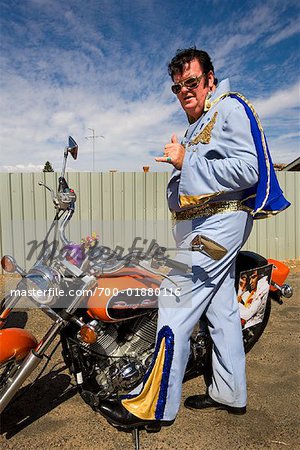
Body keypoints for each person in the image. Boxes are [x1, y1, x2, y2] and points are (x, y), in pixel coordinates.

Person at [99, 48, 290, 428]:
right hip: (201, 229)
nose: (184, 90)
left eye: (191, 82)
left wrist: (187, 160)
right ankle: (229, 393)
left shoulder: (229, 108)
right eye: (177, 87)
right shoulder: (200, 121)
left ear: (210, 80)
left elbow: (249, 168)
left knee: (174, 301)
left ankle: (155, 406)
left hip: (219, 227)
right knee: (222, 313)